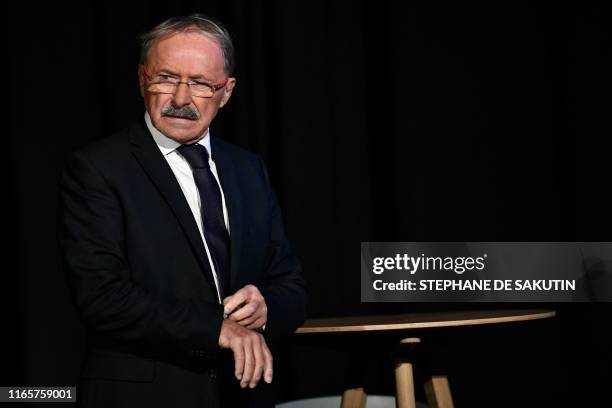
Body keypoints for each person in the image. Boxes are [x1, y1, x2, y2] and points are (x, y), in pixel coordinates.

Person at [58, 14, 307, 408]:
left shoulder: (248, 168)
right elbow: (102, 297)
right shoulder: (98, 168)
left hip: (244, 393)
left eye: (201, 84)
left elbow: (291, 284)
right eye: (167, 78)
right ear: (143, 79)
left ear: (226, 92)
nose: (180, 99)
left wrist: (267, 306)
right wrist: (216, 328)